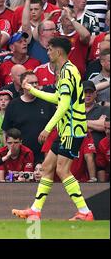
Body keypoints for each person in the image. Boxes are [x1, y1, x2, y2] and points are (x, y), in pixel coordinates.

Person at [12, 37, 94, 221]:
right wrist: (33, 91)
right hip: (66, 129)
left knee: (63, 170)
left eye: (49, 50)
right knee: (48, 167)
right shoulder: (67, 70)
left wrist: (47, 129)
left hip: (72, 128)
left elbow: (63, 105)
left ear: (58, 52)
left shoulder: (67, 73)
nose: (47, 53)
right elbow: (58, 97)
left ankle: (84, 211)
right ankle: (35, 210)